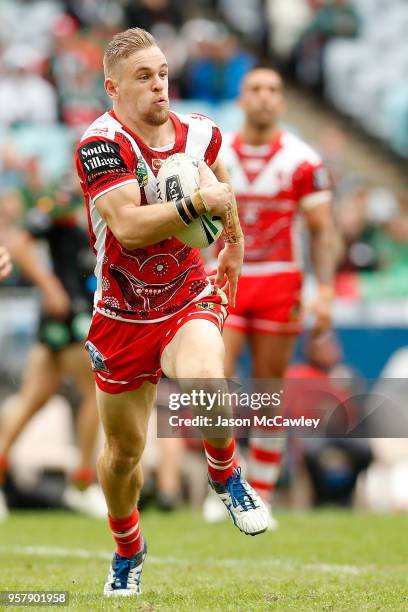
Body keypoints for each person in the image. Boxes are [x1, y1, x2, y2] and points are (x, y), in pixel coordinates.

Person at [74, 27, 269, 598]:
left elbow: (221, 191)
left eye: (162, 73)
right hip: (122, 313)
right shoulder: (100, 145)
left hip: (186, 295)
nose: (159, 85)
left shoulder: (201, 133)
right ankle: (128, 551)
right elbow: (130, 227)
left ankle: (225, 473)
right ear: (113, 87)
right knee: (122, 456)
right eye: (143, 77)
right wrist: (193, 204)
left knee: (208, 379)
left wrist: (233, 242)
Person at [204, 65, 335, 525]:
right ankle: (225, 481)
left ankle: (260, 493)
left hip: (281, 280)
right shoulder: (215, 156)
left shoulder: (304, 160)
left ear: (281, 101)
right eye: (255, 89)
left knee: (267, 388)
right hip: (226, 274)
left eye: (273, 90)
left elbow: (321, 232)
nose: (264, 97)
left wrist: (326, 291)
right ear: (242, 98)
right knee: (212, 379)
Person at [0, 183, 103, 519]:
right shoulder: (64, 198)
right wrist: (50, 287)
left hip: (76, 310)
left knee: (33, 399)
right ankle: (83, 483)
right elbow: (19, 243)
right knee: (95, 393)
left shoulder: (108, 195)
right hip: (70, 310)